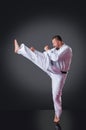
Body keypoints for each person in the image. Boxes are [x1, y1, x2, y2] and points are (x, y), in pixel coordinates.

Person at [14, 35, 72, 124]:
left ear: (59, 41)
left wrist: (47, 50)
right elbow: (46, 56)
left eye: (54, 43)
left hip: (59, 74)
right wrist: (35, 52)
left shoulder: (67, 49)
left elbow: (55, 57)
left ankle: (57, 114)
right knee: (39, 60)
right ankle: (20, 50)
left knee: (56, 96)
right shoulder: (54, 49)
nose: (53, 45)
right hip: (53, 69)